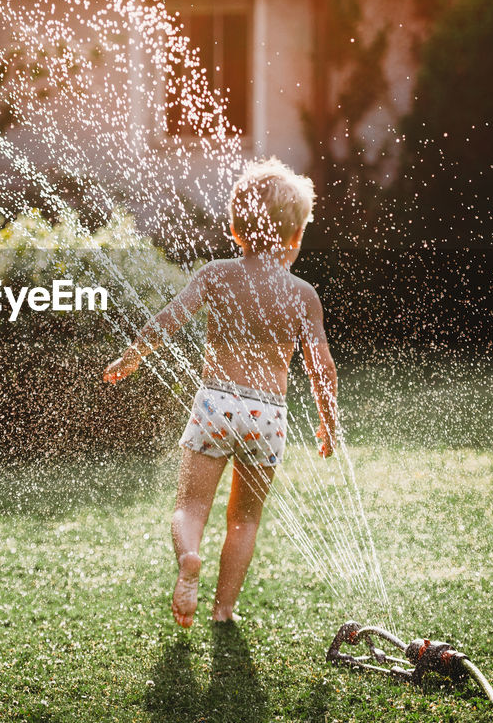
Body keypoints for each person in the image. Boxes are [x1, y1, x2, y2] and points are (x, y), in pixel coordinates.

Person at [104, 157, 340, 626]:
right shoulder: (302, 294)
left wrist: (133, 354)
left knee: (190, 506)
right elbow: (323, 369)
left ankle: (190, 556)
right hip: (268, 416)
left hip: (217, 402)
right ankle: (224, 609)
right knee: (244, 521)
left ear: (236, 228)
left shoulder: (217, 273)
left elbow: (169, 318)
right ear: (295, 237)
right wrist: (328, 423)